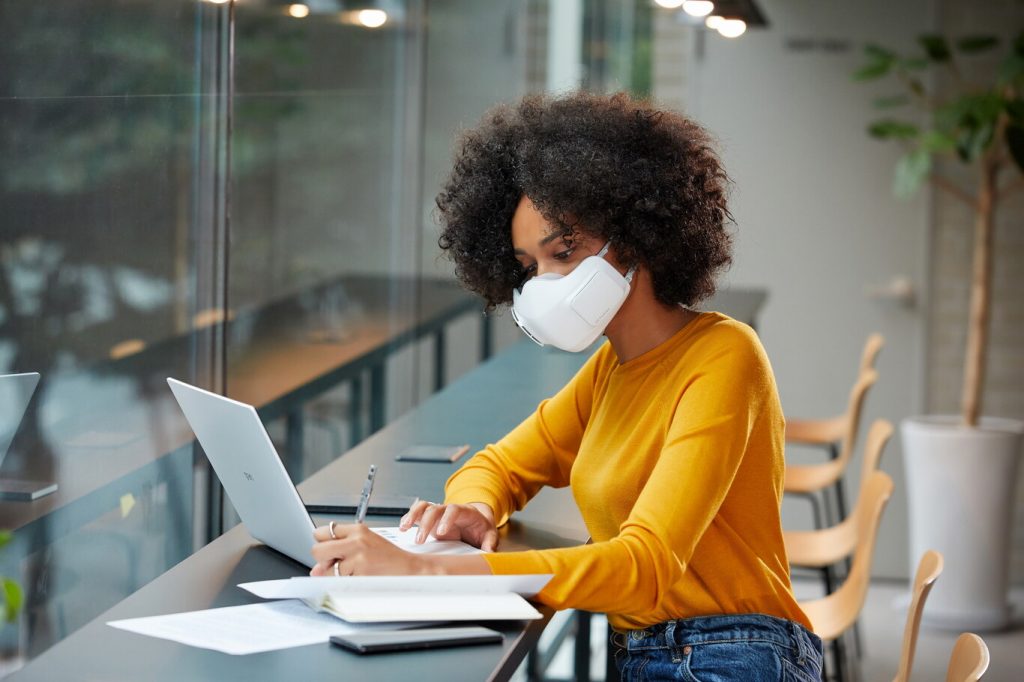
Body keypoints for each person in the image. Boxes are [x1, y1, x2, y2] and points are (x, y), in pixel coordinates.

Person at [309, 92, 823, 681]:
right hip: (648, 652)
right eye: (529, 267)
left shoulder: (726, 357)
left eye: (565, 251)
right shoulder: (611, 370)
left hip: (738, 653)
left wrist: (421, 572)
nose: (545, 282)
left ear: (635, 235)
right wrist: (476, 509)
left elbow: (646, 567)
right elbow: (499, 466)